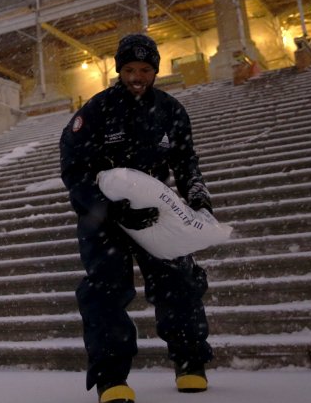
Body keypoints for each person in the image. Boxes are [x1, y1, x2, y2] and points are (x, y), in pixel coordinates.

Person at [59, 33, 214, 403]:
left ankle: (190, 362)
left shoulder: (170, 111)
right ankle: (111, 379)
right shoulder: (95, 112)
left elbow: (186, 162)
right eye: (129, 69)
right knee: (105, 292)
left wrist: (199, 200)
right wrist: (107, 208)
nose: (137, 76)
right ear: (119, 70)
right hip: (105, 218)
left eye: (145, 69)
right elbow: (74, 170)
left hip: (155, 213)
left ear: (156, 71)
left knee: (179, 281)